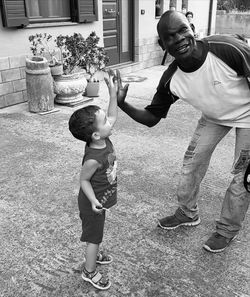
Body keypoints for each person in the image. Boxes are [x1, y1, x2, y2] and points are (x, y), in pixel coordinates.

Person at [116, 10, 250, 253]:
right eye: (170, 36)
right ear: (162, 44)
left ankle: (226, 229)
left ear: (192, 28)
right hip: (214, 116)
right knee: (191, 163)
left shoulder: (226, 48)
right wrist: (123, 104)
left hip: (248, 115)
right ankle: (188, 213)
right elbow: (151, 118)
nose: (178, 38)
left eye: (182, 30)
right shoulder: (171, 79)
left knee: (243, 176)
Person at [68, 71, 119, 290]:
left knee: (96, 235)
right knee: (94, 237)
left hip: (100, 199)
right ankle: (90, 271)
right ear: (96, 135)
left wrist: (112, 92)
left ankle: (94, 256)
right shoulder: (92, 159)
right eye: (105, 122)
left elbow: (113, 115)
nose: (110, 122)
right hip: (92, 204)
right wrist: (92, 201)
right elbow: (84, 181)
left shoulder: (102, 137)